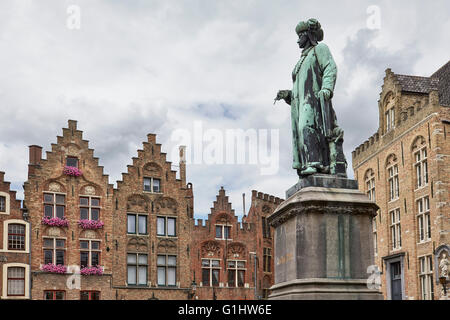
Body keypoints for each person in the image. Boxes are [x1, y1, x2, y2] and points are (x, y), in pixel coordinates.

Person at [275, 18, 347, 178]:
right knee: (302, 132)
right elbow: (299, 89)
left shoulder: (319, 49)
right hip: (300, 106)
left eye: (300, 36)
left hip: (314, 102)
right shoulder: (301, 60)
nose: (297, 40)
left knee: (306, 127)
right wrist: (288, 95)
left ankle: (316, 164)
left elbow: (330, 67)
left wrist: (327, 88)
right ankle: (309, 163)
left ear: (308, 35)